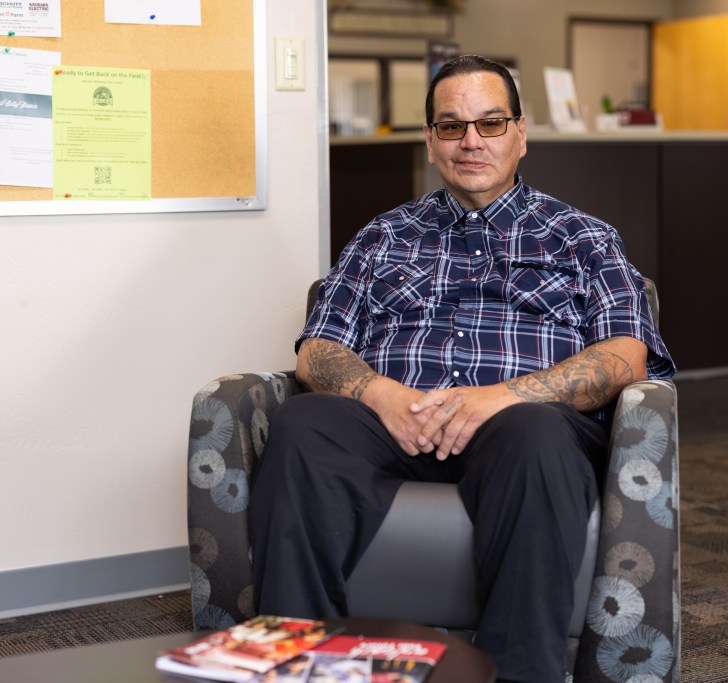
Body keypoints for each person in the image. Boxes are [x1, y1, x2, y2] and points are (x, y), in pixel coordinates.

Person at [248, 54, 675, 682]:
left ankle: (515, 673)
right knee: (305, 425)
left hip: (522, 426)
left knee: (535, 434)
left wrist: (500, 397)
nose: (471, 141)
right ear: (430, 141)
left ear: (520, 133)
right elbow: (317, 349)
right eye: (451, 126)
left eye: (491, 123)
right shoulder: (381, 237)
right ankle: (301, 665)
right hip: (397, 419)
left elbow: (624, 354)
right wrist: (380, 394)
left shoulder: (584, 238)